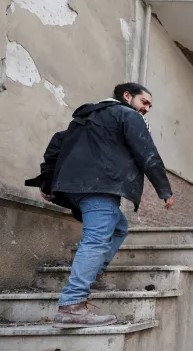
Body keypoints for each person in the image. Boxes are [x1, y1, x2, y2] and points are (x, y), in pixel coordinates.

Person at [25, 82, 175, 328]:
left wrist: (47, 182)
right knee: (96, 240)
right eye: (144, 102)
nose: (147, 108)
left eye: (150, 105)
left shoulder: (86, 117)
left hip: (76, 188)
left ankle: (93, 274)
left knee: (118, 227)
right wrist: (164, 190)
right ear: (127, 96)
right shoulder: (128, 115)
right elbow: (147, 153)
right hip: (101, 187)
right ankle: (72, 306)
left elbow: (57, 144)